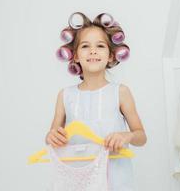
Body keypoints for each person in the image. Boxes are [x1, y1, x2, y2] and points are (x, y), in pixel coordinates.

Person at [45, 12, 147, 191]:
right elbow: (51, 136)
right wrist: (51, 137)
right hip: (77, 181)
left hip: (115, 180)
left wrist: (127, 136)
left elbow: (141, 137)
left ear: (110, 56)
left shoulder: (120, 92)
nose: (93, 51)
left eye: (100, 46)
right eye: (85, 46)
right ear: (75, 55)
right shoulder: (65, 96)